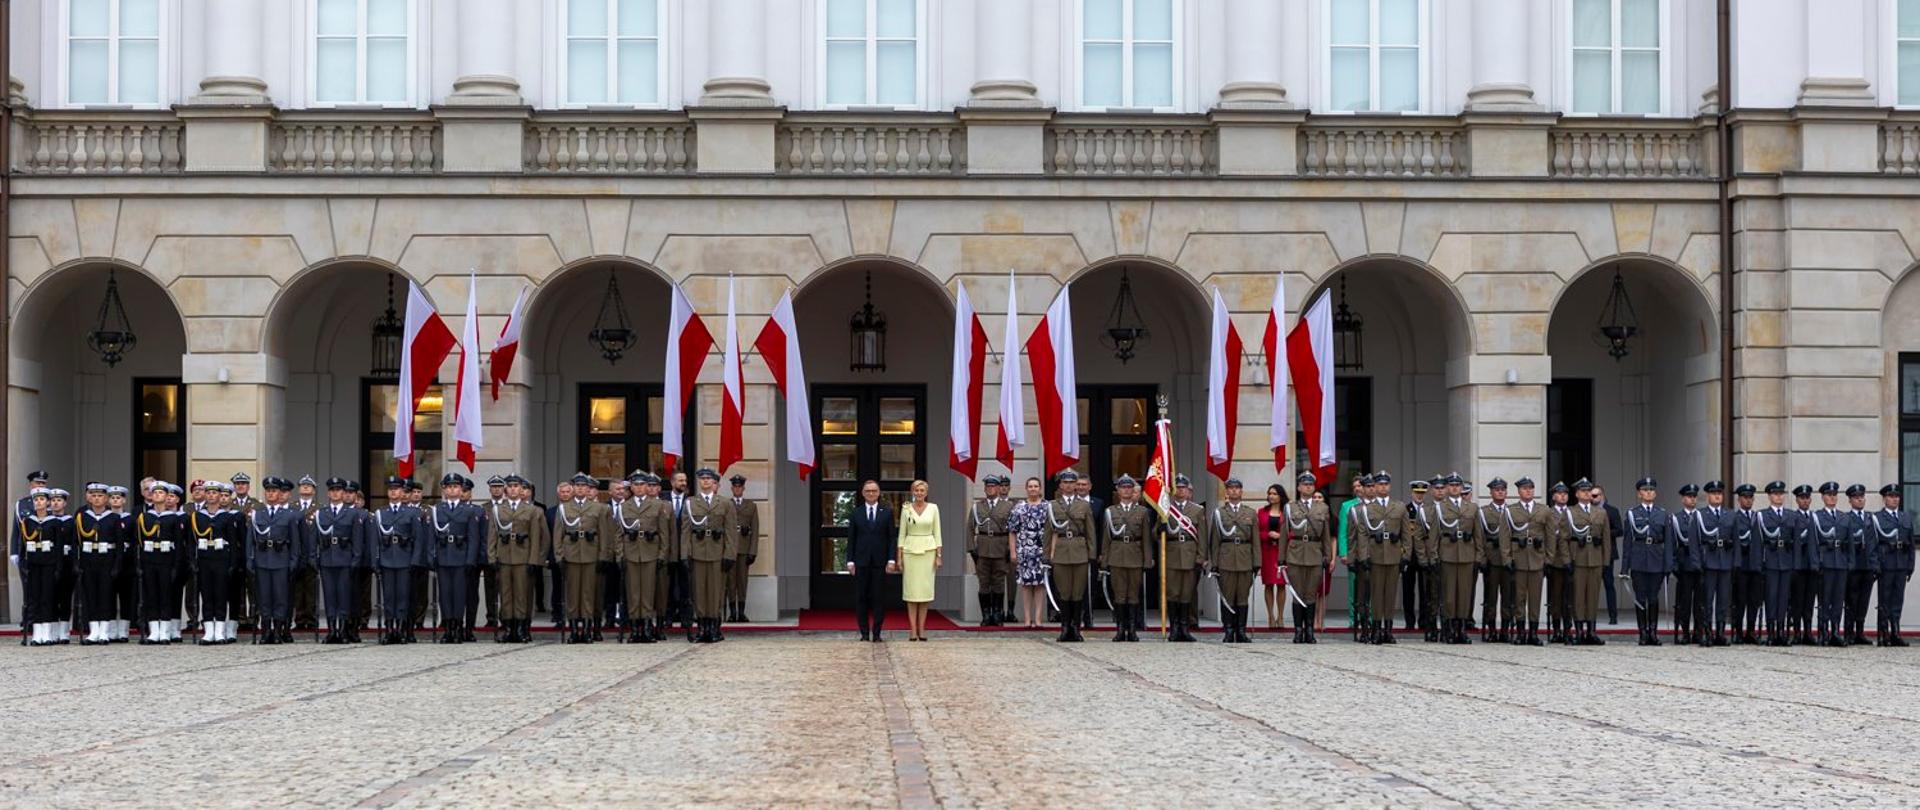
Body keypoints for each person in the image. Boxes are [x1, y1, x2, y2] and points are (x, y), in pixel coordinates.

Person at [487, 475, 550, 643]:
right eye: (511, 486)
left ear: (522, 489)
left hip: (524, 557)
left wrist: (535, 560)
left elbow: (539, 538)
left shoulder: (532, 510)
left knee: (522, 595)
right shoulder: (498, 510)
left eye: (517, 486)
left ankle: (522, 628)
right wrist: (492, 557)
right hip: (505, 556)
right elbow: (492, 535)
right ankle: (508, 628)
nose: (514, 489)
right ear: (506, 489)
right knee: (506, 594)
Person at [249, 477, 310, 645]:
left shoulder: (288, 515)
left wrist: (293, 562)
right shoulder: (257, 514)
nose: (271, 494)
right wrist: (250, 560)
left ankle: (278, 630)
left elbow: (295, 542)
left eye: (274, 491)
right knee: (264, 598)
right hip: (262, 560)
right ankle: (266, 630)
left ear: (280, 493)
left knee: (280, 598)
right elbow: (251, 540)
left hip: (281, 561)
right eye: (268, 491)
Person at [556, 473, 615, 644]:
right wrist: (559, 555)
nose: (581, 488)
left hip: (591, 554)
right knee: (573, 594)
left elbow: (605, 534)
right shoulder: (564, 508)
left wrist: (604, 556)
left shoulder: (598, 508)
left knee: (588, 593)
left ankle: (588, 629)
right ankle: (574, 629)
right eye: (577, 485)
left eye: (584, 486)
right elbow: (558, 534)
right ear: (573, 488)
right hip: (572, 554)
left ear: (589, 489)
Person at [615, 472, 673, 643]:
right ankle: (635, 628)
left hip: (650, 552)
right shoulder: (624, 507)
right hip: (631, 552)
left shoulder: (657, 506)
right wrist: (620, 555)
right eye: (636, 485)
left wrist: (662, 554)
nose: (639, 488)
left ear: (648, 487)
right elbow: (618, 534)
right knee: (633, 592)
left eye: (642, 484)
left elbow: (664, 533)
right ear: (631, 487)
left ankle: (647, 627)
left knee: (647, 592)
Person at [428, 474, 486, 644]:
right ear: (444, 490)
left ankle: (458, 627)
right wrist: (431, 556)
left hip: (461, 558)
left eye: (456, 487)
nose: (452, 489)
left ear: (461, 490)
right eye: (449, 487)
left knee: (460, 595)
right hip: (444, 556)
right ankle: (448, 628)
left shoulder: (469, 511)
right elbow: (432, 536)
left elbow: (473, 538)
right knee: (445, 595)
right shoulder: (437, 510)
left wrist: (470, 560)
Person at [370, 477, 428, 645]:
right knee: (389, 598)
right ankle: (389, 630)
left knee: (403, 597)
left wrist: (415, 560)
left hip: (405, 560)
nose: (394, 492)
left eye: (397, 489)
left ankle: (401, 630)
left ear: (403, 492)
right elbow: (376, 541)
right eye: (390, 489)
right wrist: (376, 561)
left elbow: (418, 539)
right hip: (387, 560)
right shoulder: (381, 513)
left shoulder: (412, 513)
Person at [1620, 477, 1674, 646]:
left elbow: (1668, 542)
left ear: (1655, 493)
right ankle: (1642, 633)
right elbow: (1627, 543)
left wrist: (1668, 565)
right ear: (1639, 494)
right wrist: (1624, 568)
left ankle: (1653, 632)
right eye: (1645, 490)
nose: (1649, 492)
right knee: (1640, 597)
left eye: (1651, 489)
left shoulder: (1663, 514)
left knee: (1653, 598)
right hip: (1638, 560)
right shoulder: (1632, 514)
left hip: (1657, 559)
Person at [1100, 476, 1154, 642]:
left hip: (1135, 555)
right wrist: (1104, 561)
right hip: (1116, 556)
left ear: (1133, 491)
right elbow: (1106, 538)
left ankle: (1132, 630)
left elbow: (1146, 538)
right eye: (1123, 488)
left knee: (1133, 595)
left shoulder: (1142, 512)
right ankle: (1120, 629)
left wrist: (1147, 560)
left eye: (1129, 488)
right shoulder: (1110, 512)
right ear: (1118, 491)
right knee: (1119, 595)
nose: (1126, 491)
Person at [1044, 471, 1096, 642]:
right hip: (1061, 551)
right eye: (1064, 482)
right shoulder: (1053, 506)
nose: (1068, 485)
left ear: (1076, 485)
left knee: (1078, 593)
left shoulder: (1084, 506)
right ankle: (1065, 628)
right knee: (1064, 593)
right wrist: (1046, 556)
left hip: (1080, 551)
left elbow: (1090, 532)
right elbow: (1048, 532)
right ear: (1060, 486)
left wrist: (1092, 554)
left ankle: (1076, 628)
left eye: (1071, 482)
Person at [1282, 472, 1333, 644]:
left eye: (1311, 484)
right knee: (1297, 594)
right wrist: (1281, 559)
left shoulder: (1322, 508)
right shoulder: (1290, 507)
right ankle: (1298, 630)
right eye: (1304, 484)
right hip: (1295, 554)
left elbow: (1326, 535)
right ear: (1298, 487)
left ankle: (1310, 630)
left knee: (1311, 594)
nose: (1308, 487)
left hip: (1315, 553)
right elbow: (1284, 534)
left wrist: (1328, 556)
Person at [16, 488, 69, 646]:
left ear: (47, 503)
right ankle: (36, 633)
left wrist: (58, 567)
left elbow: (58, 547)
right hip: (33, 564)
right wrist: (23, 564)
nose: (38, 502)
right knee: (34, 599)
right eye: (36, 500)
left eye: (42, 500)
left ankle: (46, 633)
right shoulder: (28, 522)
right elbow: (23, 546)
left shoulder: (54, 522)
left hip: (49, 563)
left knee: (47, 598)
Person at [1209, 477, 1259, 643]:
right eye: (1230, 488)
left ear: (1241, 491)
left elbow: (1255, 540)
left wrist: (1256, 562)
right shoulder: (1219, 513)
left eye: (1237, 488)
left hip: (1245, 559)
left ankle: (1241, 631)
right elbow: (1215, 541)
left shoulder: (1250, 513)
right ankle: (1229, 631)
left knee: (1243, 597)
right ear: (1226, 491)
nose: (1234, 491)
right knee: (1228, 597)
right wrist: (1214, 564)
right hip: (1226, 559)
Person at [1502, 478, 1551, 646]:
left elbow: (1550, 536)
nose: (1528, 491)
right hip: (1519, 558)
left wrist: (1548, 558)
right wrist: (1507, 558)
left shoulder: (1543, 510)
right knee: (1519, 598)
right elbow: (1504, 537)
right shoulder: (1510, 511)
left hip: (1537, 558)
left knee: (1535, 598)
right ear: (1519, 491)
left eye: (1531, 488)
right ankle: (1521, 632)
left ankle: (1533, 633)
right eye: (1524, 488)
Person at [1160, 474, 1207, 642]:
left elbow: (1202, 536)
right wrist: (1160, 528)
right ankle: (1174, 628)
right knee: (1173, 593)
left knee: (1187, 594)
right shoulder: (1165, 509)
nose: (1180, 491)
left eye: (1183, 488)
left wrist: (1201, 558)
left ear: (1189, 491)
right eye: (1178, 488)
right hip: (1172, 555)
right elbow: (1155, 535)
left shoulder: (1197, 510)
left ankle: (1185, 628)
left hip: (1190, 555)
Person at [190, 482, 239, 645]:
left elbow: (233, 542)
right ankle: (208, 631)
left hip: (221, 559)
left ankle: (219, 631)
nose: (211, 496)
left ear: (220, 496)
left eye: (214, 493)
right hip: (204, 559)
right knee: (207, 595)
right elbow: (192, 542)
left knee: (220, 595)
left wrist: (233, 563)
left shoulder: (227, 517)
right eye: (208, 493)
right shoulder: (198, 516)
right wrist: (193, 561)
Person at [846, 479, 894, 642]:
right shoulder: (856, 513)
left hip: (880, 562)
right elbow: (851, 539)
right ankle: (864, 633)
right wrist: (850, 561)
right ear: (863, 493)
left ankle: (877, 633)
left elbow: (891, 538)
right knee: (861, 598)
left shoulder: (887, 513)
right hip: (861, 562)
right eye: (868, 491)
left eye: (874, 491)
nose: (871, 494)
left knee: (879, 598)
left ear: (879, 493)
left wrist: (891, 559)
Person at [1434, 474, 1479, 644]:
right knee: (1449, 595)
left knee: (1464, 594)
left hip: (1467, 555)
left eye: (1457, 485)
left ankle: (1462, 629)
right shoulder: (1440, 508)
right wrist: (1434, 556)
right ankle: (1449, 629)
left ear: (1462, 488)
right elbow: (1434, 535)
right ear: (1446, 488)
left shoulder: (1472, 508)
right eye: (1451, 485)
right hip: (1448, 554)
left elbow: (1478, 534)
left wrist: (1478, 556)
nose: (1454, 488)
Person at [897, 479, 942, 642]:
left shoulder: (933, 508)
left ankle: (922, 629)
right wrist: (899, 557)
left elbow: (937, 533)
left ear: (926, 492)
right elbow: (902, 534)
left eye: (922, 490)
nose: (919, 493)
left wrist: (938, 556)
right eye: (916, 490)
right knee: (911, 592)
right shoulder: (906, 509)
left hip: (928, 552)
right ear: (912, 492)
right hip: (910, 552)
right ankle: (912, 630)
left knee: (925, 592)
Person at [968, 475, 1016, 626]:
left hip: (1001, 548)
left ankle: (997, 614)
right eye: (988, 487)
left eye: (993, 486)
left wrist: (1010, 549)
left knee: (999, 583)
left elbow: (1013, 530)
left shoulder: (1008, 507)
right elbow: (970, 528)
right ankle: (986, 615)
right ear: (984, 489)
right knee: (984, 583)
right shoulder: (977, 506)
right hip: (982, 549)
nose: (990, 489)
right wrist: (971, 549)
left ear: (998, 488)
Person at [1871, 484, 1912, 646]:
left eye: (1897, 496)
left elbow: (1909, 545)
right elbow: (1872, 544)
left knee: (1897, 600)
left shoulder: (1905, 518)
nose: (1894, 499)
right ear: (1884, 499)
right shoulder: (1878, 518)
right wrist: (1875, 565)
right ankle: (1883, 633)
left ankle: (1896, 631)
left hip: (1901, 564)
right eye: (1891, 496)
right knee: (1884, 600)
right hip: (1885, 564)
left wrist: (1910, 566)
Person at [1756, 481, 1796, 646]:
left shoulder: (1791, 515)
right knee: (1771, 597)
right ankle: (1771, 631)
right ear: (1769, 496)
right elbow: (1758, 543)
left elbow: (1796, 542)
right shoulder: (1762, 515)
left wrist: (1795, 563)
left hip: (1786, 561)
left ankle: (1782, 630)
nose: (1779, 496)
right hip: (1770, 561)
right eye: (1775, 494)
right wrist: (1758, 564)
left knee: (1783, 598)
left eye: (1781, 493)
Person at [1731, 483, 1764, 643]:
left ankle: (1750, 630)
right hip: (1742, 565)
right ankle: (1738, 631)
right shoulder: (1734, 518)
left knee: (1754, 600)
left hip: (1755, 565)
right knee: (1740, 600)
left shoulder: (1758, 517)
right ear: (1739, 499)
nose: (1748, 500)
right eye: (1745, 497)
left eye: (1750, 497)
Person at [727, 474, 759, 623]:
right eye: (735, 486)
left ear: (743, 488)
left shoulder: (751, 506)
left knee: (742, 581)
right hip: (730, 548)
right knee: (730, 582)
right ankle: (732, 612)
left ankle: (742, 612)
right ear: (732, 488)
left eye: (739, 486)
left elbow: (756, 530)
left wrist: (752, 552)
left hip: (744, 548)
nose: (737, 489)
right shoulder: (726, 504)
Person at [1258, 484, 1286, 630]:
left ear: (1280, 496)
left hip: (1282, 552)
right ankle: (1270, 616)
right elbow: (1256, 533)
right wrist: (1267, 535)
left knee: (1281, 584)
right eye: (1269, 493)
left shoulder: (1287, 511)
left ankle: (1280, 616)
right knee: (1269, 584)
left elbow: (1293, 531)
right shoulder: (1261, 512)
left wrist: (1281, 536)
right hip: (1267, 551)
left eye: (1274, 493)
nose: (1271, 496)